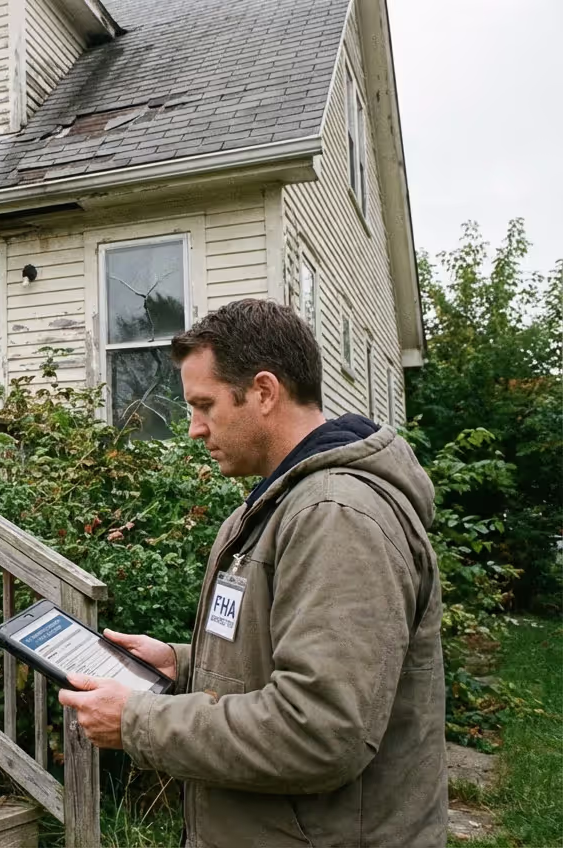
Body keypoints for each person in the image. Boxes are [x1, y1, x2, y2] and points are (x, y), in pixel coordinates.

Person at [59, 299, 447, 847]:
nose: (194, 429)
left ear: (264, 392)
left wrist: (137, 722)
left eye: (204, 405)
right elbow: (276, 649)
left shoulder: (337, 515)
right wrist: (181, 663)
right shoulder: (278, 504)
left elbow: (319, 731)